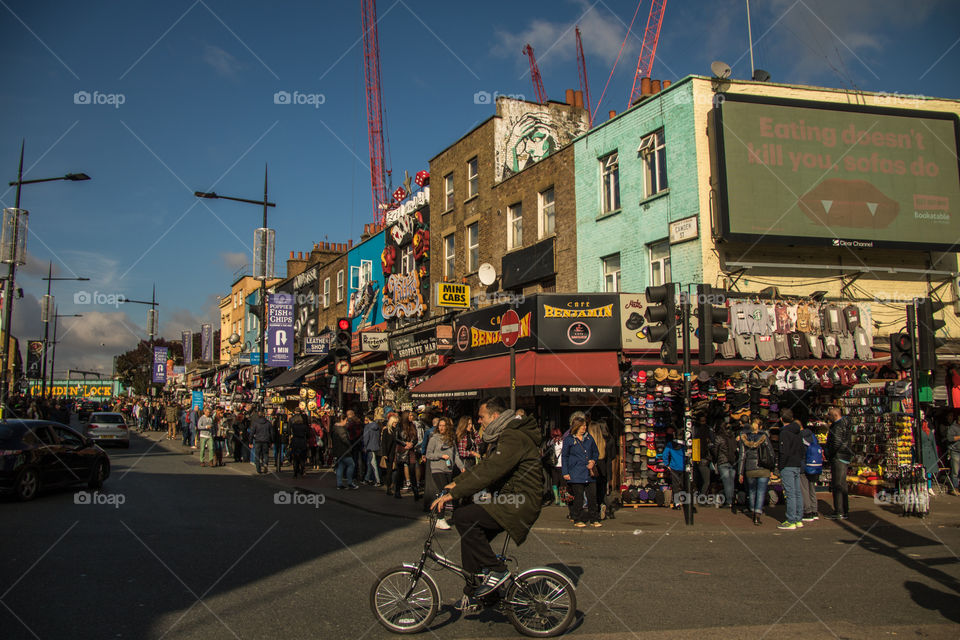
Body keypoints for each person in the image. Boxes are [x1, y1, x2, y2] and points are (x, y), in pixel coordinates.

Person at [430, 397, 544, 609]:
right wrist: (456, 484)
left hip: (519, 501)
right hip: (511, 498)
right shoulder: (504, 436)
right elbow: (485, 467)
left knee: (463, 517)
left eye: (481, 417)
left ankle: (497, 570)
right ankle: (480, 593)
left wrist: (453, 494)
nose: (479, 421)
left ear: (494, 416)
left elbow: (491, 471)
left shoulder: (513, 436)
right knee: (470, 533)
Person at [562, 412, 601, 528]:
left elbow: (596, 452)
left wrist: (593, 461)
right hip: (576, 472)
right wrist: (565, 472)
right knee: (578, 497)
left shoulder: (589, 438)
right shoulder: (569, 440)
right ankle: (577, 518)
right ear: (576, 427)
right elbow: (565, 456)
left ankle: (594, 518)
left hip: (589, 473)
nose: (584, 428)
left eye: (585, 426)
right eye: (582, 426)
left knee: (592, 497)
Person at [426, 416, 463, 530]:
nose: (441, 428)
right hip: (437, 469)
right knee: (443, 491)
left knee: (446, 491)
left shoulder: (451, 439)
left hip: (448, 469)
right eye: (440, 425)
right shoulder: (434, 438)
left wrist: (461, 467)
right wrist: (440, 456)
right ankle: (440, 518)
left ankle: (440, 517)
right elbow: (428, 454)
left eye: (443, 425)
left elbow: (455, 454)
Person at [738, 417, 774, 525]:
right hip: (763, 468)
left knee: (752, 491)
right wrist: (772, 468)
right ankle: (757, 515)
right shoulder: (764, 437)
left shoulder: (745, 438)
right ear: (761, 426)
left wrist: (740, 472)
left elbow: (742, 456)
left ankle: (753, 510)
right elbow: (771, 453)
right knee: (761, 492)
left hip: (750, 469)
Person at [777, 408, 805, 530]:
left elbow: (784, 452)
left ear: (781, 419)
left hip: (787, 464)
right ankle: (798, 518)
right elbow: (802, 449)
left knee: (790, 493)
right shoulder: (798, 431)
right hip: (797, 463)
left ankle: (791, 520)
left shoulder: (784, 433)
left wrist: (780, 466)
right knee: (797, 492)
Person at [824, 407, 853, 519]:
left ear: (835, 415)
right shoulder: (845, 425)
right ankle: (844, 510)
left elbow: (836, 443)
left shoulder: (837, 426)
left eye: (830, 415)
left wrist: (829, 453)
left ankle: (839, 511)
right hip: (844, 456)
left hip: (838, 457)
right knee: (842, 484)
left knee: (838, 485)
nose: (828, 417)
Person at [587, 418, 612, 518]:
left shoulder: (589, 442)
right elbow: (611, 456)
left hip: (593, 468)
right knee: (601, 492)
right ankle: (603, 506)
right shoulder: (604, 442)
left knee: (592, 493)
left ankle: (595, 511)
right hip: (603, 468)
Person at [393, 412, 421, 500]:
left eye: (412, 415)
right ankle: (397, 491)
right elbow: (396, 437)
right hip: (402, 450)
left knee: (412, 471)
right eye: (410, 415)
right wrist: (405, 443)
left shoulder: (413, 425)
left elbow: (416, 438)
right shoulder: (399, 426)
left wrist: (412, 444)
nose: (411, 417)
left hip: (410, 450)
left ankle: (415, 491)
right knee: (400, 472)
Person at [799, 421, 822, 522]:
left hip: (803, 465)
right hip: (814, 465)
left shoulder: (799, 437)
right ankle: (814, 510)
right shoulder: (812, 435)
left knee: (804, 489)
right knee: (812, 488)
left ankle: (807, 512)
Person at [714, 421, 738, 513]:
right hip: (732, 461)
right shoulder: (733, 437)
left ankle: (728, 502)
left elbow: (715, 450)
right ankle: (731, 500)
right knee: (731, 482)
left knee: (726, 482)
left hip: (722, 461)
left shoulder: (719, 438)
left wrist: (716, 458)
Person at [332, 415, 358, 489]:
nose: (346, 422)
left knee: (340, 466)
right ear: (341, 420)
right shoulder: (340, 429)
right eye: (345, 421)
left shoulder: (335, 428)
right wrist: (350, 445)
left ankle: (339, 484)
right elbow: (344, 438)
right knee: (351, 464)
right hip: (344, 450)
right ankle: (349, 482)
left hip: (338, 451)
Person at [662, 435, 686, 509]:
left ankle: (677, 503)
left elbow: (665, 454)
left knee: (675, 485)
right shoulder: (685, 444)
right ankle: (685, 502)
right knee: (684, 485)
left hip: (673, 467)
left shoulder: (670, 444)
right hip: (683, 467)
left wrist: (667, 464)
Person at [250, 410, 273, 474]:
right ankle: (265, 463)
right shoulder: (268, 423)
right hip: (266, 440)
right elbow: (271, 433)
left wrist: (250, 442)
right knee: (265, 454)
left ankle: (258, 469)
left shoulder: (255, 423)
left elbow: (252, 433)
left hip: (258, 440)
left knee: (257, 455)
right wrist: (271, 441)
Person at [381, 412, 398, 495]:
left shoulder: (396, 430)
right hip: (389, 453)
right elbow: (384, 442)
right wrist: (384, 453)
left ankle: (393, 485)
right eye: (394, 422)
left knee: (395, 470)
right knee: (389, 470)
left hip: (395, 452)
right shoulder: (386, 430)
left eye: (396, 423)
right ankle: (389, 487)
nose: (395, 424)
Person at [362, 412, 381, 486]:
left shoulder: (367, 427)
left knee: (373, 464)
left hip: (370, 447)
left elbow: (366, 438)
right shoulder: (377, 426)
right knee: (369, 463)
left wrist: (365, 446)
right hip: (376, 446)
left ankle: (377, 480)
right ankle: (367, 478)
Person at [289, 414, 310, 478]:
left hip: (295, 442)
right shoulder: (305, 426)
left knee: (295, 459)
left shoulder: (293, 426)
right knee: (302, 458)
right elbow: (308, 435)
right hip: (302, 442)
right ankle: (302, 470)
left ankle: (295, 472)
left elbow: (290, 433)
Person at [946, 413, 960, 497]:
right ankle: (954, 488)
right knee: (955, 471)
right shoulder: (953, 427)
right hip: (955, 452)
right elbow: (949, 438)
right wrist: (959, 437)